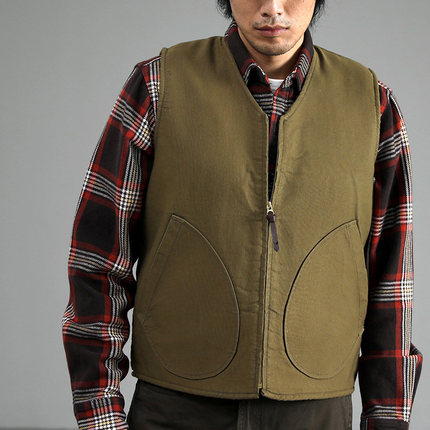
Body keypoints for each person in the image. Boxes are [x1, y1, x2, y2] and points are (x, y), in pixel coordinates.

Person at [62, 1, 424, 429]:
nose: (272, 8)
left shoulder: (372, 103)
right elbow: (100, 259)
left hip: (316, 412)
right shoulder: (159, 85)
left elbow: (391, 280)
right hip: (176, 407)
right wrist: (100, 412)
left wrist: (387, 416)